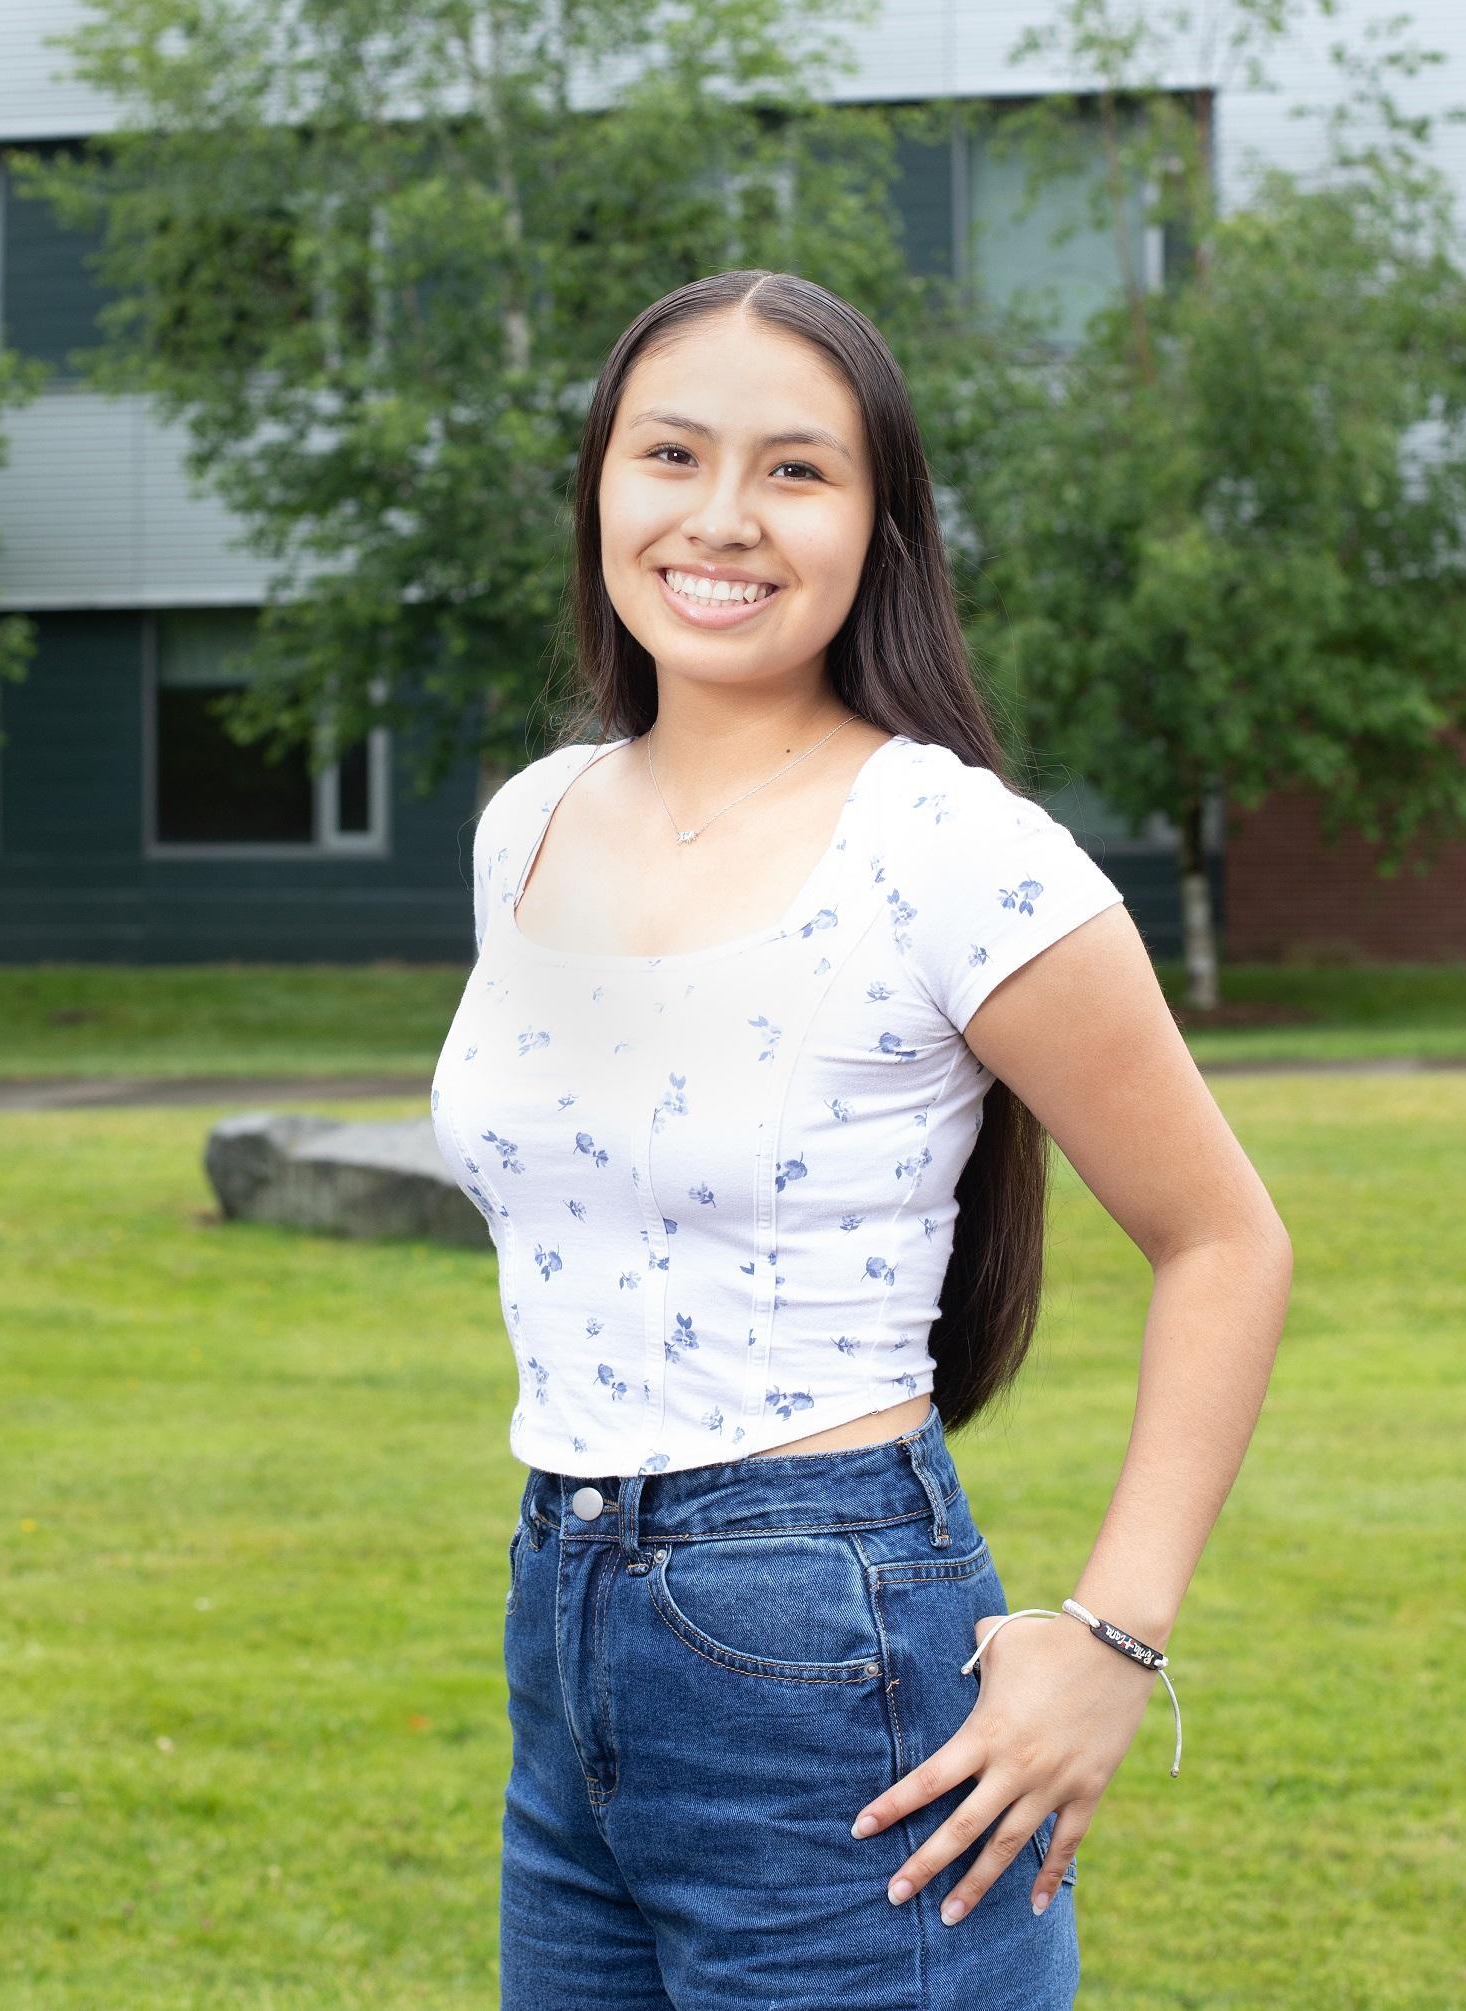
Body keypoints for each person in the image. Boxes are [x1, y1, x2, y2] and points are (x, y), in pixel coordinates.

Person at [430, 269, 1294, 2010]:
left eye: (797, 471)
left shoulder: (950, 847)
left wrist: (1112, 1641)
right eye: (671, 453)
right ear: (602, 482)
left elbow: (1225, 1240)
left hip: (830, 1640)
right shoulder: (533, 820)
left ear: (881, 523)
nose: (722, 518)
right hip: (568, 1614)